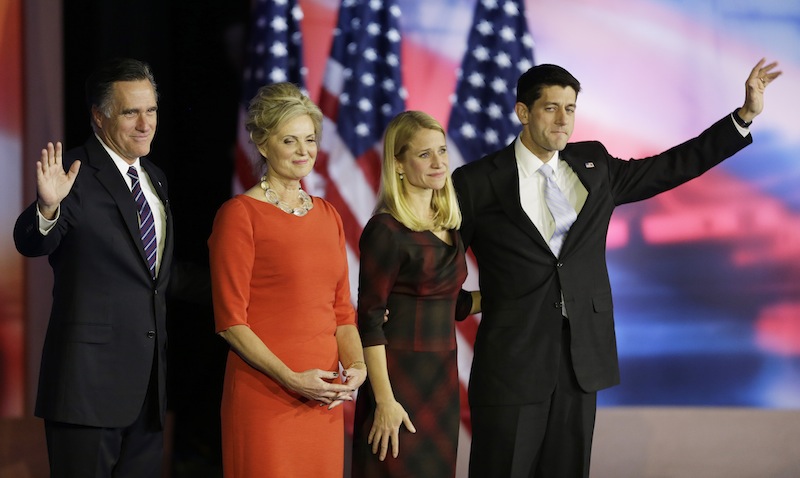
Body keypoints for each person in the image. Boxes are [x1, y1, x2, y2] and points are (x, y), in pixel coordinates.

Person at [451, 58, 782, 477]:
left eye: (570, 109)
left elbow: (670, 167)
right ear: (523, 112)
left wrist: (744, 116)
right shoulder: (476, 181)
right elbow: (437, 263)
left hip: (579, 364)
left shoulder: (595, 165)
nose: (563, 120)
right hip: (512, 365)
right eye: (551, 108)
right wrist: (468, 302)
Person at [13, 57, 172, 476]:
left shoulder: (155, 177)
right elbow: (31, 242)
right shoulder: (75, 175)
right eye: (130, 112)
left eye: (151, 110)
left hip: (147, 392)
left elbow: (150, 281)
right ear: (99, 117)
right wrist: (47, 208)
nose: (145, 123)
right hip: (86, 391)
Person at [208, 82, 366, 478]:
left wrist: (358, 365)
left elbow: (342, 313)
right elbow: (230, 322)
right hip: (267, 397)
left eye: (310, 140)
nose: (303, 152)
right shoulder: (239, 215)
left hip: (323, 402)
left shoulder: (329, 214)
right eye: (290, 140)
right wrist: (293, 379)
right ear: (262, 145)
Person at [351, 111, 481, 478]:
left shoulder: (449, 228)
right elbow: (370, 320)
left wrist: (513, 293)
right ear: (399, 164)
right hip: (397, 380)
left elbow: (450, 303)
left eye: (442, 151)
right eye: (425, 154)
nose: (439, 163)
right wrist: (385, 401)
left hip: (441, 384)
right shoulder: (386, 230)